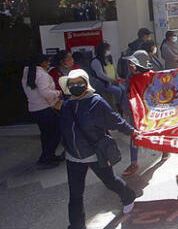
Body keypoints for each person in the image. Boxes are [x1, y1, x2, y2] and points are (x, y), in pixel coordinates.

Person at [58, 69, 137, 229]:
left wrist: (133, 132)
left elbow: (115, 120)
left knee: (110, 181)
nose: (76, 86)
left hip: (95, 154)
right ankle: (76, 225)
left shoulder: (96, 102)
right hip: (73, 158)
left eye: (79, 83)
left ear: (86, 84)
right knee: (75, 194)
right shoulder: (66, 106)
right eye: (72, 84)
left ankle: (128, 197)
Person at [21, 54, 64, 169]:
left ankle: (48, 156)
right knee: (55, 134)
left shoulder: (28, 74)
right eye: (47, 61)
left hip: (35, 109)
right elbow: (46, 93)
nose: (49, 64)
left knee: (46, 135)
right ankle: (46, 158)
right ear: (42, 63)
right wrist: (58, 93)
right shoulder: (42, 75)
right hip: (44, 109)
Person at [90, 42, 127, 112]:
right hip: (104, 83)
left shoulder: (109, 59)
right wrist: (112, 80)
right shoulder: (96, 61)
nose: (109, 51)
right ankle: (117, 105)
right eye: (107, 49)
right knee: (118, 91)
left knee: (124, 89)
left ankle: (122, 105)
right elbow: (100, 74)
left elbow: (113, 70)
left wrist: (118, 79)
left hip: (113, 81)